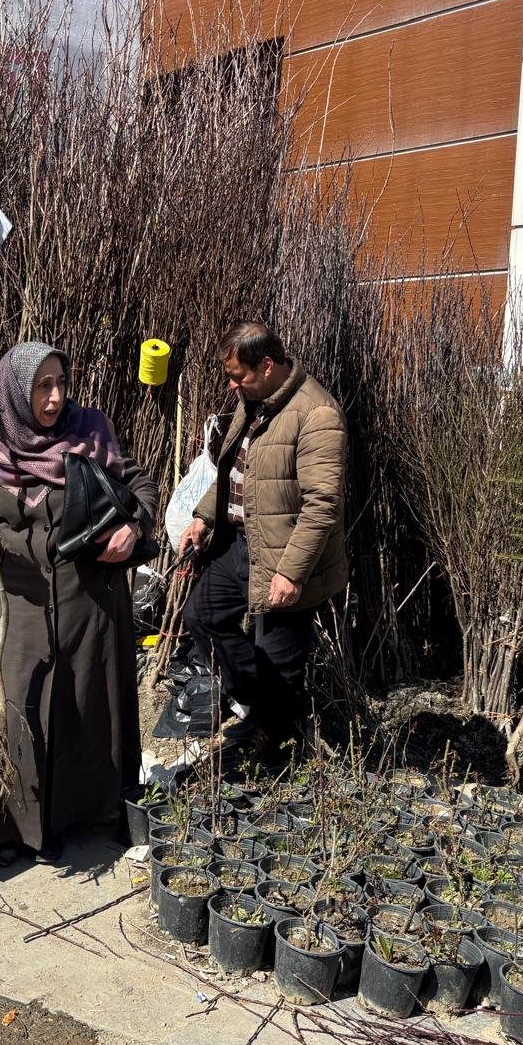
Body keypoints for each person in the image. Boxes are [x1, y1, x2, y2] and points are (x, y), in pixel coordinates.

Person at [0, 341, 159, 866]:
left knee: (83, 707)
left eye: (60, 384)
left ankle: (78, 818)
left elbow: (141, 488)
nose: (54, 398)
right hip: (20, 605)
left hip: (88, 600)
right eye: (41, 386)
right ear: (14, 393)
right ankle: (5, 824)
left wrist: (132, 527)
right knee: (16, 707)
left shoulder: (90, 432)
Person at [180, 322, 347, 751]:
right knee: (202, 615)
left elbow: (322, 505)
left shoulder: (317, 414)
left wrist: (291, 573)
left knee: (279, 652)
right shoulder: (252, 400)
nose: (233, 384)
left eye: (240, 375)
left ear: (267, 365)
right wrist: (202, 516)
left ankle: (278, 748)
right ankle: (270, 711)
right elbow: (235, 469)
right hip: (240, 545)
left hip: (288, 556)